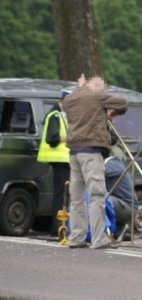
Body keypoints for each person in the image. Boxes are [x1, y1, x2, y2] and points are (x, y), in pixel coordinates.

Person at [62, 74, 128, 249]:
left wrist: (81, 88)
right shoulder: (97, 96)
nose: (105, 90)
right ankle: (99, 239)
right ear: (97, 86)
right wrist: (110, 109)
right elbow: (122, 103)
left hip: (74, 152)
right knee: (96, 195)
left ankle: (76, 237)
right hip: (91, 151)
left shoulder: (70, 98)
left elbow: (74, 103)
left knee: (76, 198)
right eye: (103, 87)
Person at [37, 90, 71, 236]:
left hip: (64, 161)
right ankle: (57, 228)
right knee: (60, 196)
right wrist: (69, 137)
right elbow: (52, 139)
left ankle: (60, 226)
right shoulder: (55, 116)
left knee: (64, 195)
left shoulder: (61, 115)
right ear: (62, 101)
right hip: (60, 161)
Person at [104, 154, 139, 241]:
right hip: (124, 205)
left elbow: (98, 172)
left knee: (100, 200)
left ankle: (103, 231)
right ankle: (120, 231)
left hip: (128, 207)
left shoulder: (112, 164)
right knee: (101, 198)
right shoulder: (114, 164)